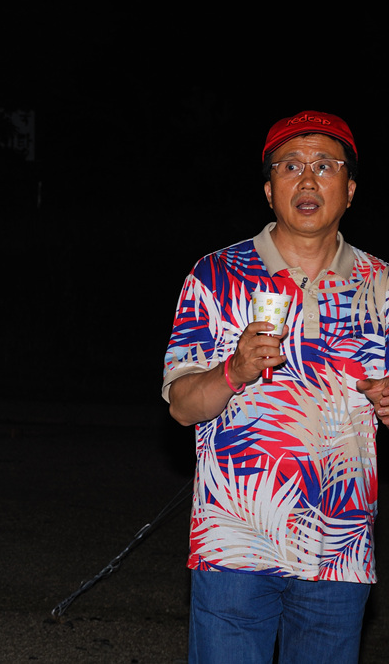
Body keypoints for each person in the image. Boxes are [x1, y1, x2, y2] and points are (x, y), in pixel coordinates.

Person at [163, 110, 388, 663]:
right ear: (269, 190)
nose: (308, 178)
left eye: (325, 165)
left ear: (350, 189)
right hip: (233, 545)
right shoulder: (216, 275)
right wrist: (233, 371)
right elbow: (182, 408)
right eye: (290, 166)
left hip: (340, 549)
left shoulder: (381, 285)